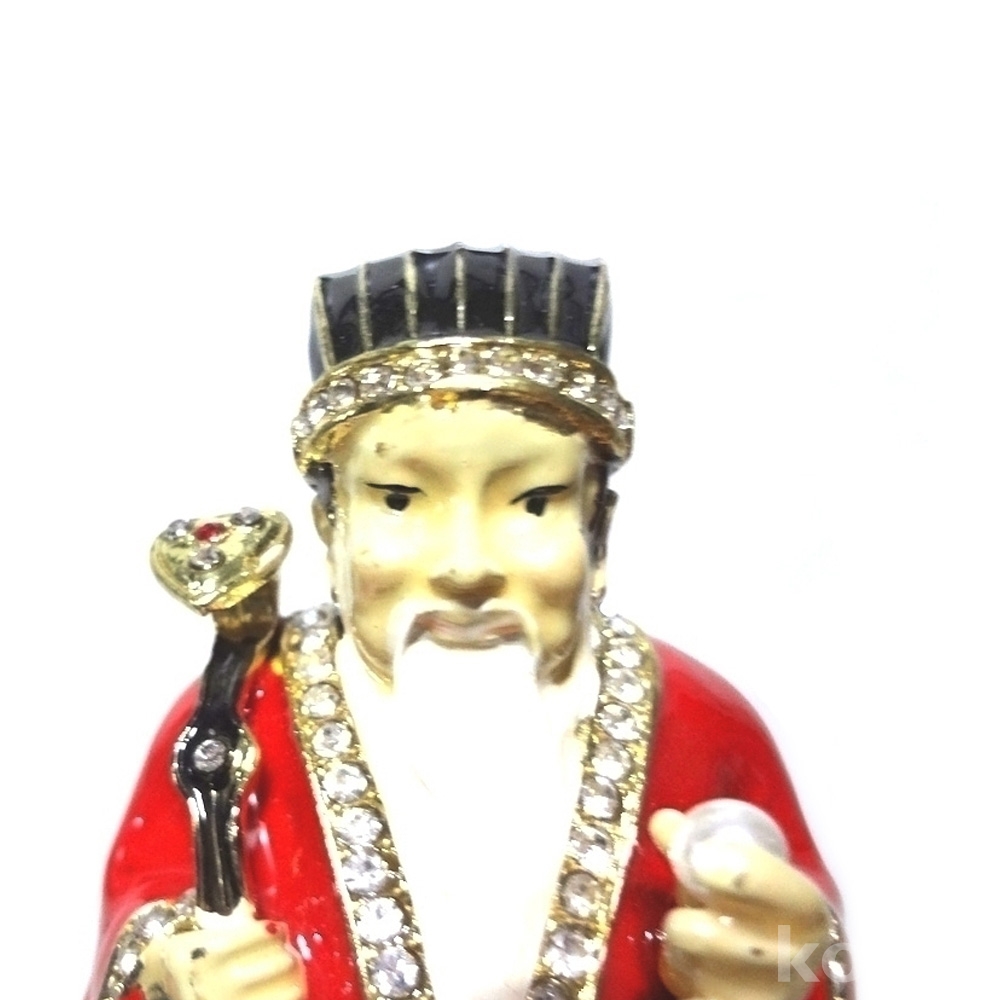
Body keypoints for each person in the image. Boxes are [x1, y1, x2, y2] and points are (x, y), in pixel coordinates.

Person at [87, 246, 851, 1000]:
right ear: (331, 527)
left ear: (597, 527)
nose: (464, 565)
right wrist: (176, 966)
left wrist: (776, 968)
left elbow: (807, 943)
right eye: (399, 499)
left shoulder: (699, 722)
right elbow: (142, 916)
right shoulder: (234, 723)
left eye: (533, 502)